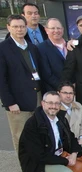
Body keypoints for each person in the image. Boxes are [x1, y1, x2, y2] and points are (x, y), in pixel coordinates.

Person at [18, 91, 82, 172]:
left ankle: (57, 171)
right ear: (43, 103)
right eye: (50, 103)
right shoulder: (33, 124)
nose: (53, 106)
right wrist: (65, 161)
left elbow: (70, 137)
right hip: (39, 162)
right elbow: (38, 156)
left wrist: (74, 153)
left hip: (57, 153)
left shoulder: (61, 118)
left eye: (57, 103)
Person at [0, 14, 43, 152]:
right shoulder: (3, 49)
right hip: (17, 103)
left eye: (22, 26)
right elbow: (1, 79)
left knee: (37, 135)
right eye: (15, 27)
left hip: (36, 98)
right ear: (8, 27)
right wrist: (9, 102)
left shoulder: (32, 48)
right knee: (21, 137)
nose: (19, 29)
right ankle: (26, 169)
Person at [58, 81, 82, 149]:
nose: (68, 96)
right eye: (65, 93)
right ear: (58, 93)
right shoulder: (56, 109)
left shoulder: (78, 106)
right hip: (66, 144)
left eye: (71, 93)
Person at [38, 18, 67, 91]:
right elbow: (46, 74)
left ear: (63, 29)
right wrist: (63, 89)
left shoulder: (70, 45)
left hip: (74, 91)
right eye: (52, 28)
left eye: (58, 28)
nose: (56, 31)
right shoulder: (41, 48)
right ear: (46, 30)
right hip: (54, 92)